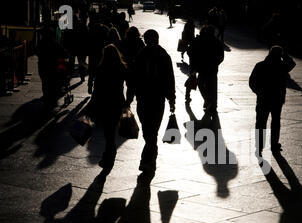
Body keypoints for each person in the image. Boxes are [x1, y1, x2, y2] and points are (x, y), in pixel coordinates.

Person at [127, 29, 176, 174]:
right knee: (149, 131)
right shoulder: (152, 55)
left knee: (150, 131)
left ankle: (147, 160)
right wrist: (171, 99)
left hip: (148, 98)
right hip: (152, 98)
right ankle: (150, 159)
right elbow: (170, 79)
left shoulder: (148, 55)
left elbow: (133, 79)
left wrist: (129, 98)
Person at [249, 45, 296, 156]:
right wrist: (284, 55)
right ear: (280, 55)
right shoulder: (282, 66)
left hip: (263, 98)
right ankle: (274, 144)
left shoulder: (260, 65)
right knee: (275, 122)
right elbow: (292, 63)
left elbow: (252, 82)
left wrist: (258, 92)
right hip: (277, 98)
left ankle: (259, 146)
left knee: (261, 122)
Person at [91, 44, 128, 169]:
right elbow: (130, 82)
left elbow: (97, 89)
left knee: (108, 132)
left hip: (104, 103)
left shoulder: (101, 68)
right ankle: (109, 154)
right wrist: (128, 100)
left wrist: (93, 102)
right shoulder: (121, 67)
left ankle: (108, 156)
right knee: (111, 131)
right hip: (117, 102)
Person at [187, 25, 224, 120]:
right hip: (211, 68)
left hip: (203, 68)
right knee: (212, 87)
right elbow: (221, 56)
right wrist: (215, 63)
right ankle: (212, 104)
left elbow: (197, 54)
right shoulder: (217, 42)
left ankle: (208, 100)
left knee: (201, 84)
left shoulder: (204, 41)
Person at [36, 26, 68, 109]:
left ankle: (46, 97)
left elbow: (36, 52)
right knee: (53, 82)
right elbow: (63, 53)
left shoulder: (41, 43)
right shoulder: (54, 43)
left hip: (43, 66)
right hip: (53, 67)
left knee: (45, 83)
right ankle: (52, 100)